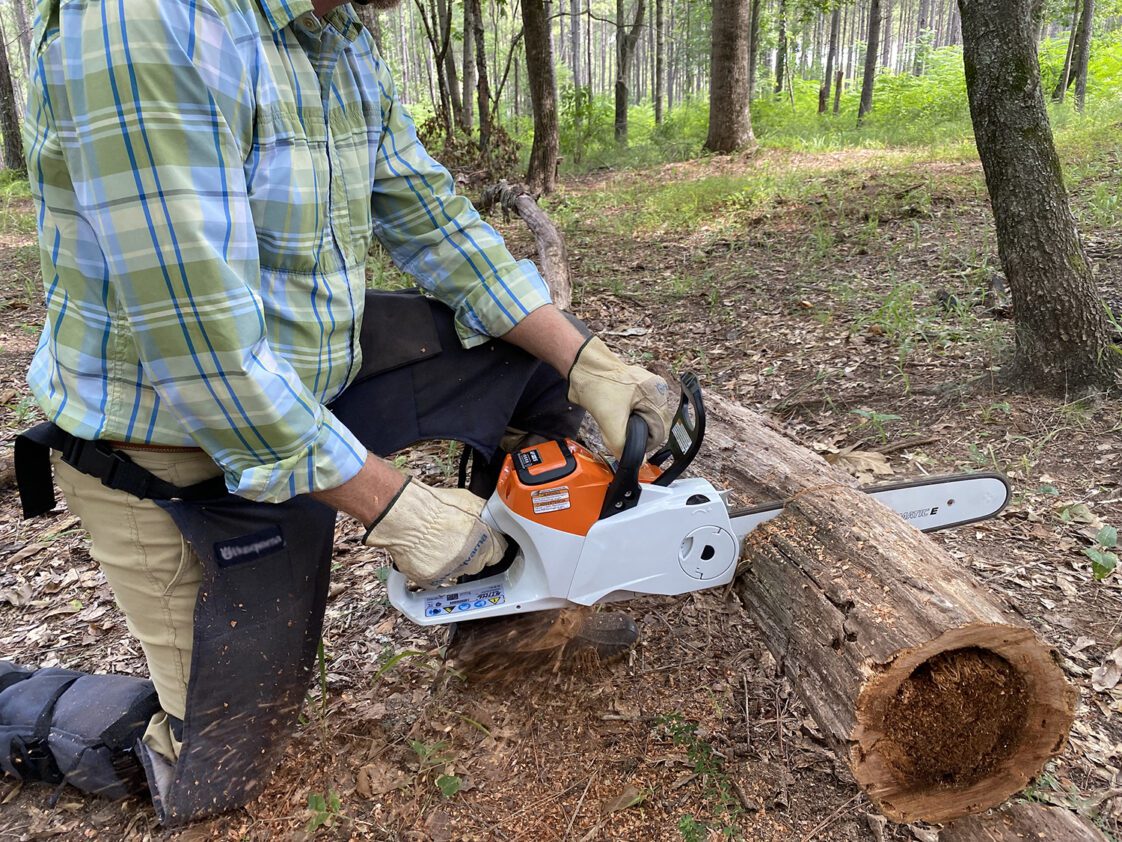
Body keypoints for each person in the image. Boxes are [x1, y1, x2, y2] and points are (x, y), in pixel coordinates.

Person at [6, 0, 677, 822]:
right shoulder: (144, 21)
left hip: (310, 383)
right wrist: (397, 507)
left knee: (526, 367)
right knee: (225, 767)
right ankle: (25, 710)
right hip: (175, 444)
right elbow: (202, 347)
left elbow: (433, 218)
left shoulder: (336, 30)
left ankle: (516, 618)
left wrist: (587, 361)